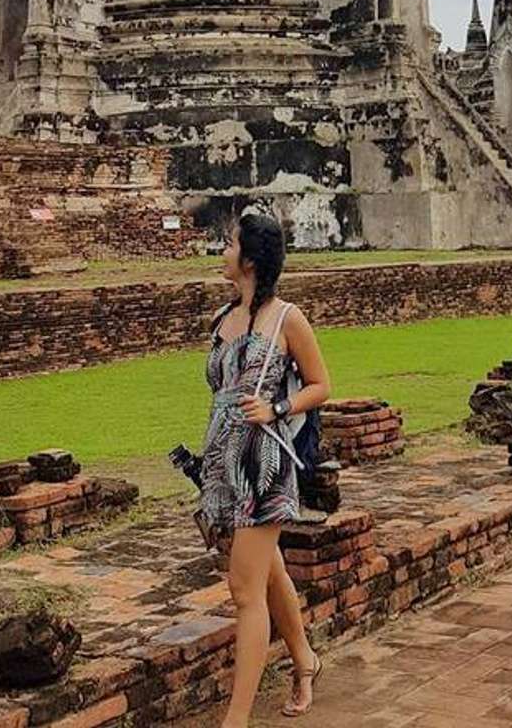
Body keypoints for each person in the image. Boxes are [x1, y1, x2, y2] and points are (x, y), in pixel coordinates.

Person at [199, 208, 332, 724]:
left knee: (244, 591)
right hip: (223, 463)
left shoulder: (286, 318)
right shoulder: (222, 319)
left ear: (251, 259)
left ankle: (236, 719)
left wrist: (278, 407)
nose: (222, 252)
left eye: (229, 244)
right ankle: (304, 660)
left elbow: (322, 385)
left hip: (265, 464)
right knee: (265, 569)